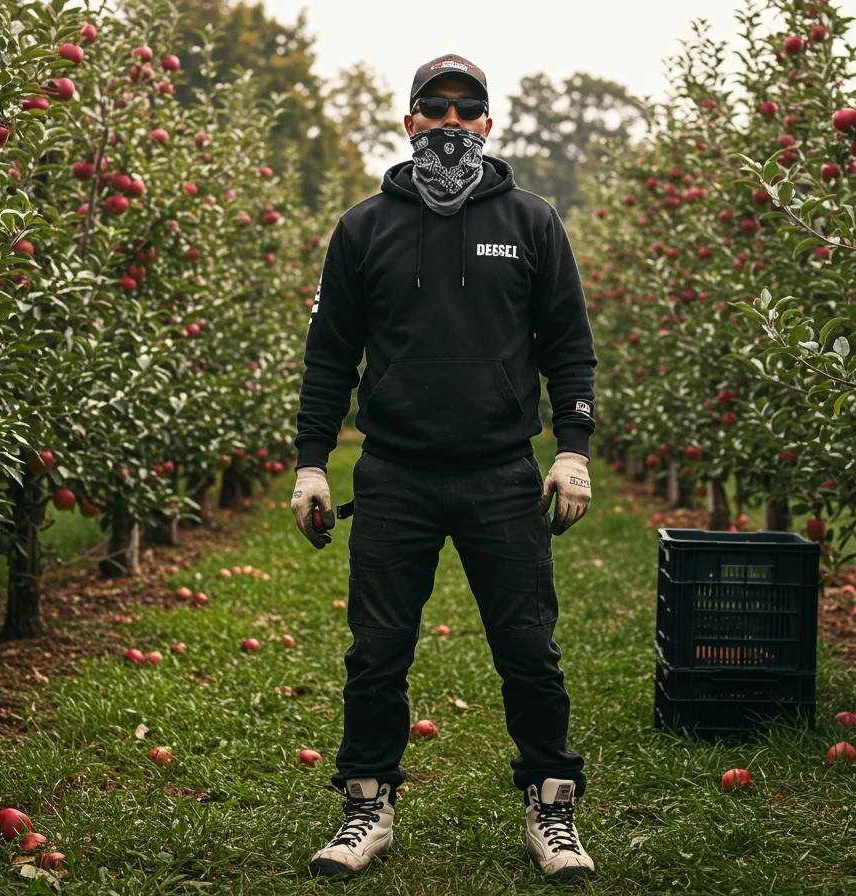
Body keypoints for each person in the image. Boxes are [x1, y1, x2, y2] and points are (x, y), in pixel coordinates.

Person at [290, 53, 598, 883]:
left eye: (470, 110)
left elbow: (569, 347)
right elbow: (330, 358)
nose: (453, 122)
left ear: (490, 124)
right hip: (394, 474)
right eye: (438, 108)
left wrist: (570, 450)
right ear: (410, 121)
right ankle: (366, 805)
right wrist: (311, 465)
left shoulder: (533, 222)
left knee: (529, 650)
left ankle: (552, 804)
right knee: (377, 652)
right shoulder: (364, 228)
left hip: (501, 471)